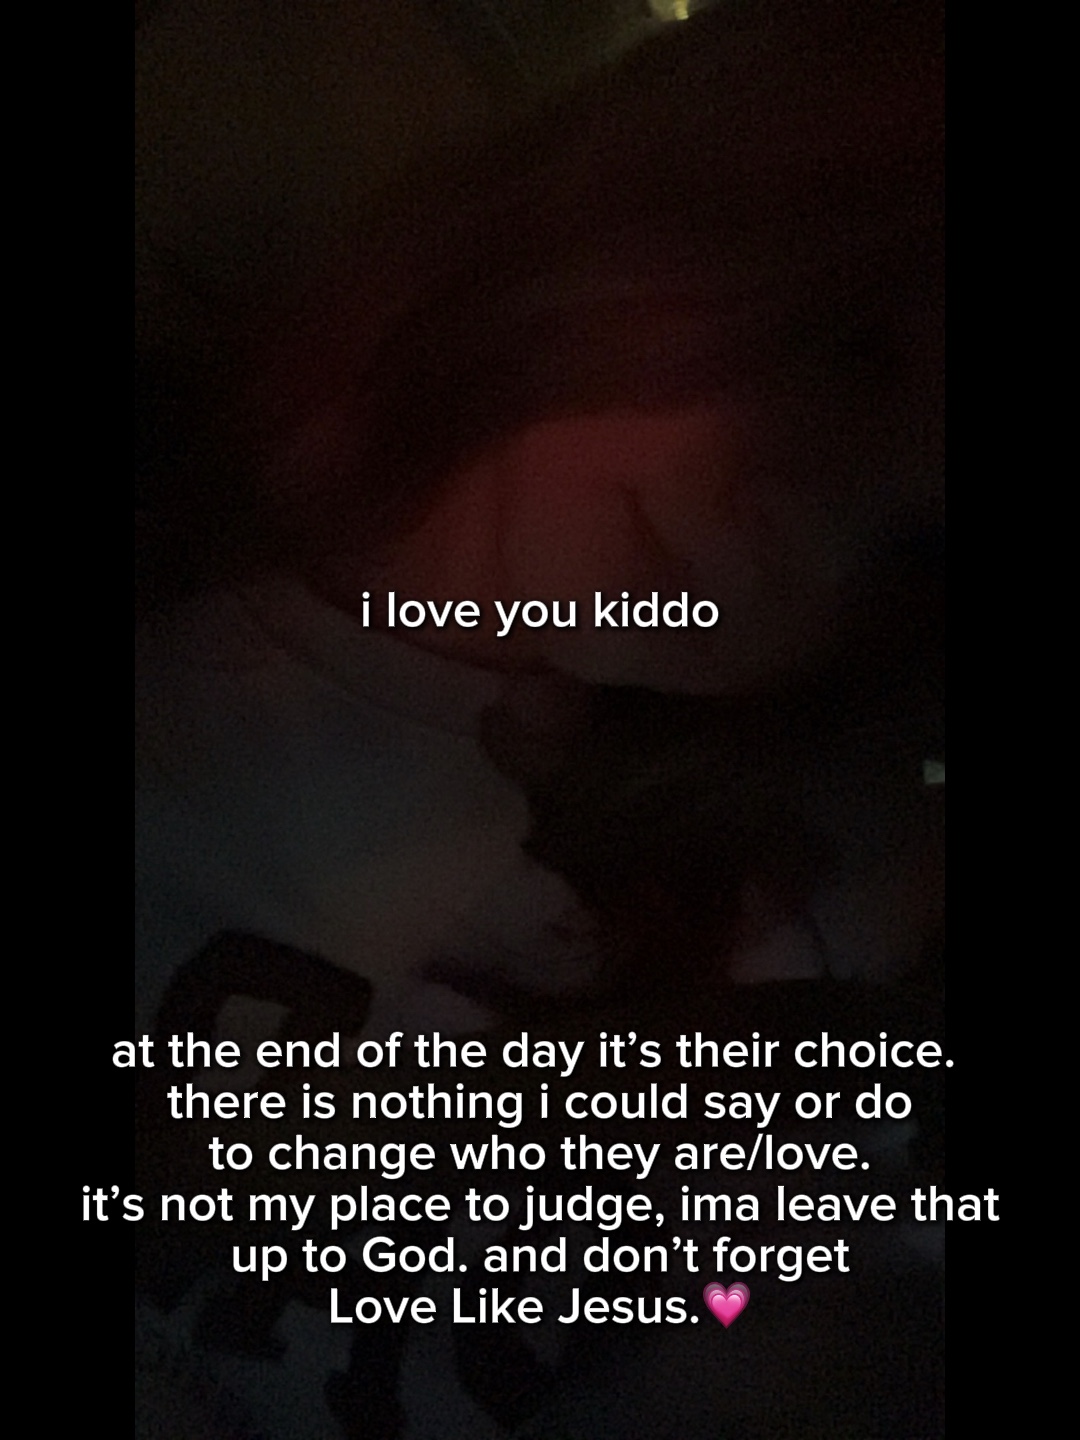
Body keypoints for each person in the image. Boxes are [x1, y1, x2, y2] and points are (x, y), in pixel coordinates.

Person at [135, 2, 944, 1435]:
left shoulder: (788, 899)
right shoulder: (180, 596)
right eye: (850, 362)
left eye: (909, 550)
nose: (812, 548)